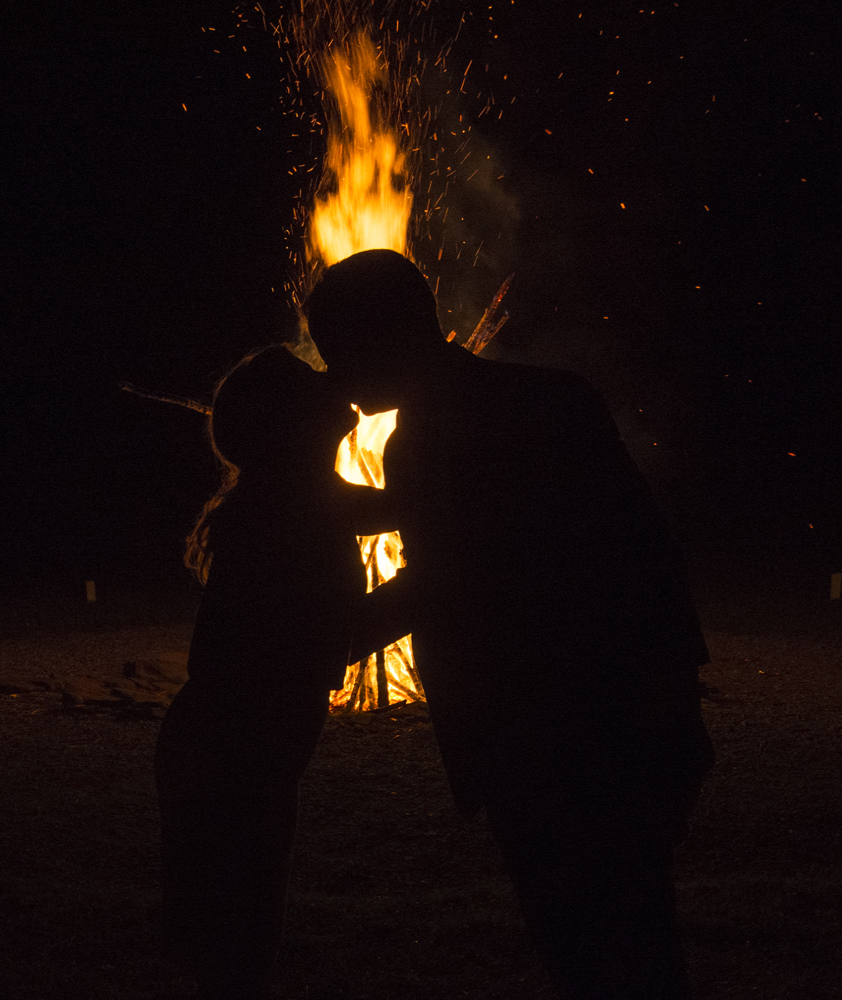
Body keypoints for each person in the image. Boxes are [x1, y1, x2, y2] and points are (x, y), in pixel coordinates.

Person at [304, 249, 715, 1000]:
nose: (336, 377)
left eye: (339, 354)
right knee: (631, 944)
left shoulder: (429, 439)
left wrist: (305, 644)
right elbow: (650, 551)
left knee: (597, 948)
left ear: (382, 337)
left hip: (553, 733)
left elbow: (444, 580)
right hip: (612, 717)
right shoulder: (544, 402)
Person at [155, 344, 397, 1000]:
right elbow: (334, 640)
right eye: (311, 382)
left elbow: (401, 503)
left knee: (233, 941)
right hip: (235, 748)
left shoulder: (300, 497)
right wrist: (431, 592)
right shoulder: (291, 515)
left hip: (233, 744)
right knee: (238, 943)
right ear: (293, 424)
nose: (331, 381)